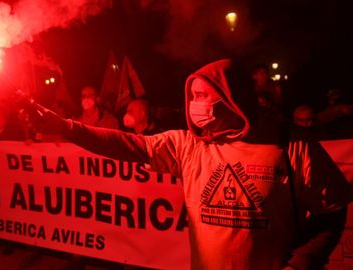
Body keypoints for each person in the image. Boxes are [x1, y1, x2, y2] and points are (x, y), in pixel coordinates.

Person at [25, 59, 351, 269]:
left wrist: (301, 263)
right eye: (191, 96)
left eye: (202, 96)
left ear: (231, 97)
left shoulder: (289, 144)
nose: (194, 105)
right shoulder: (190, 146)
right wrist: (65, 127)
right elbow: (129, 145)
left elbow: (333, 212)